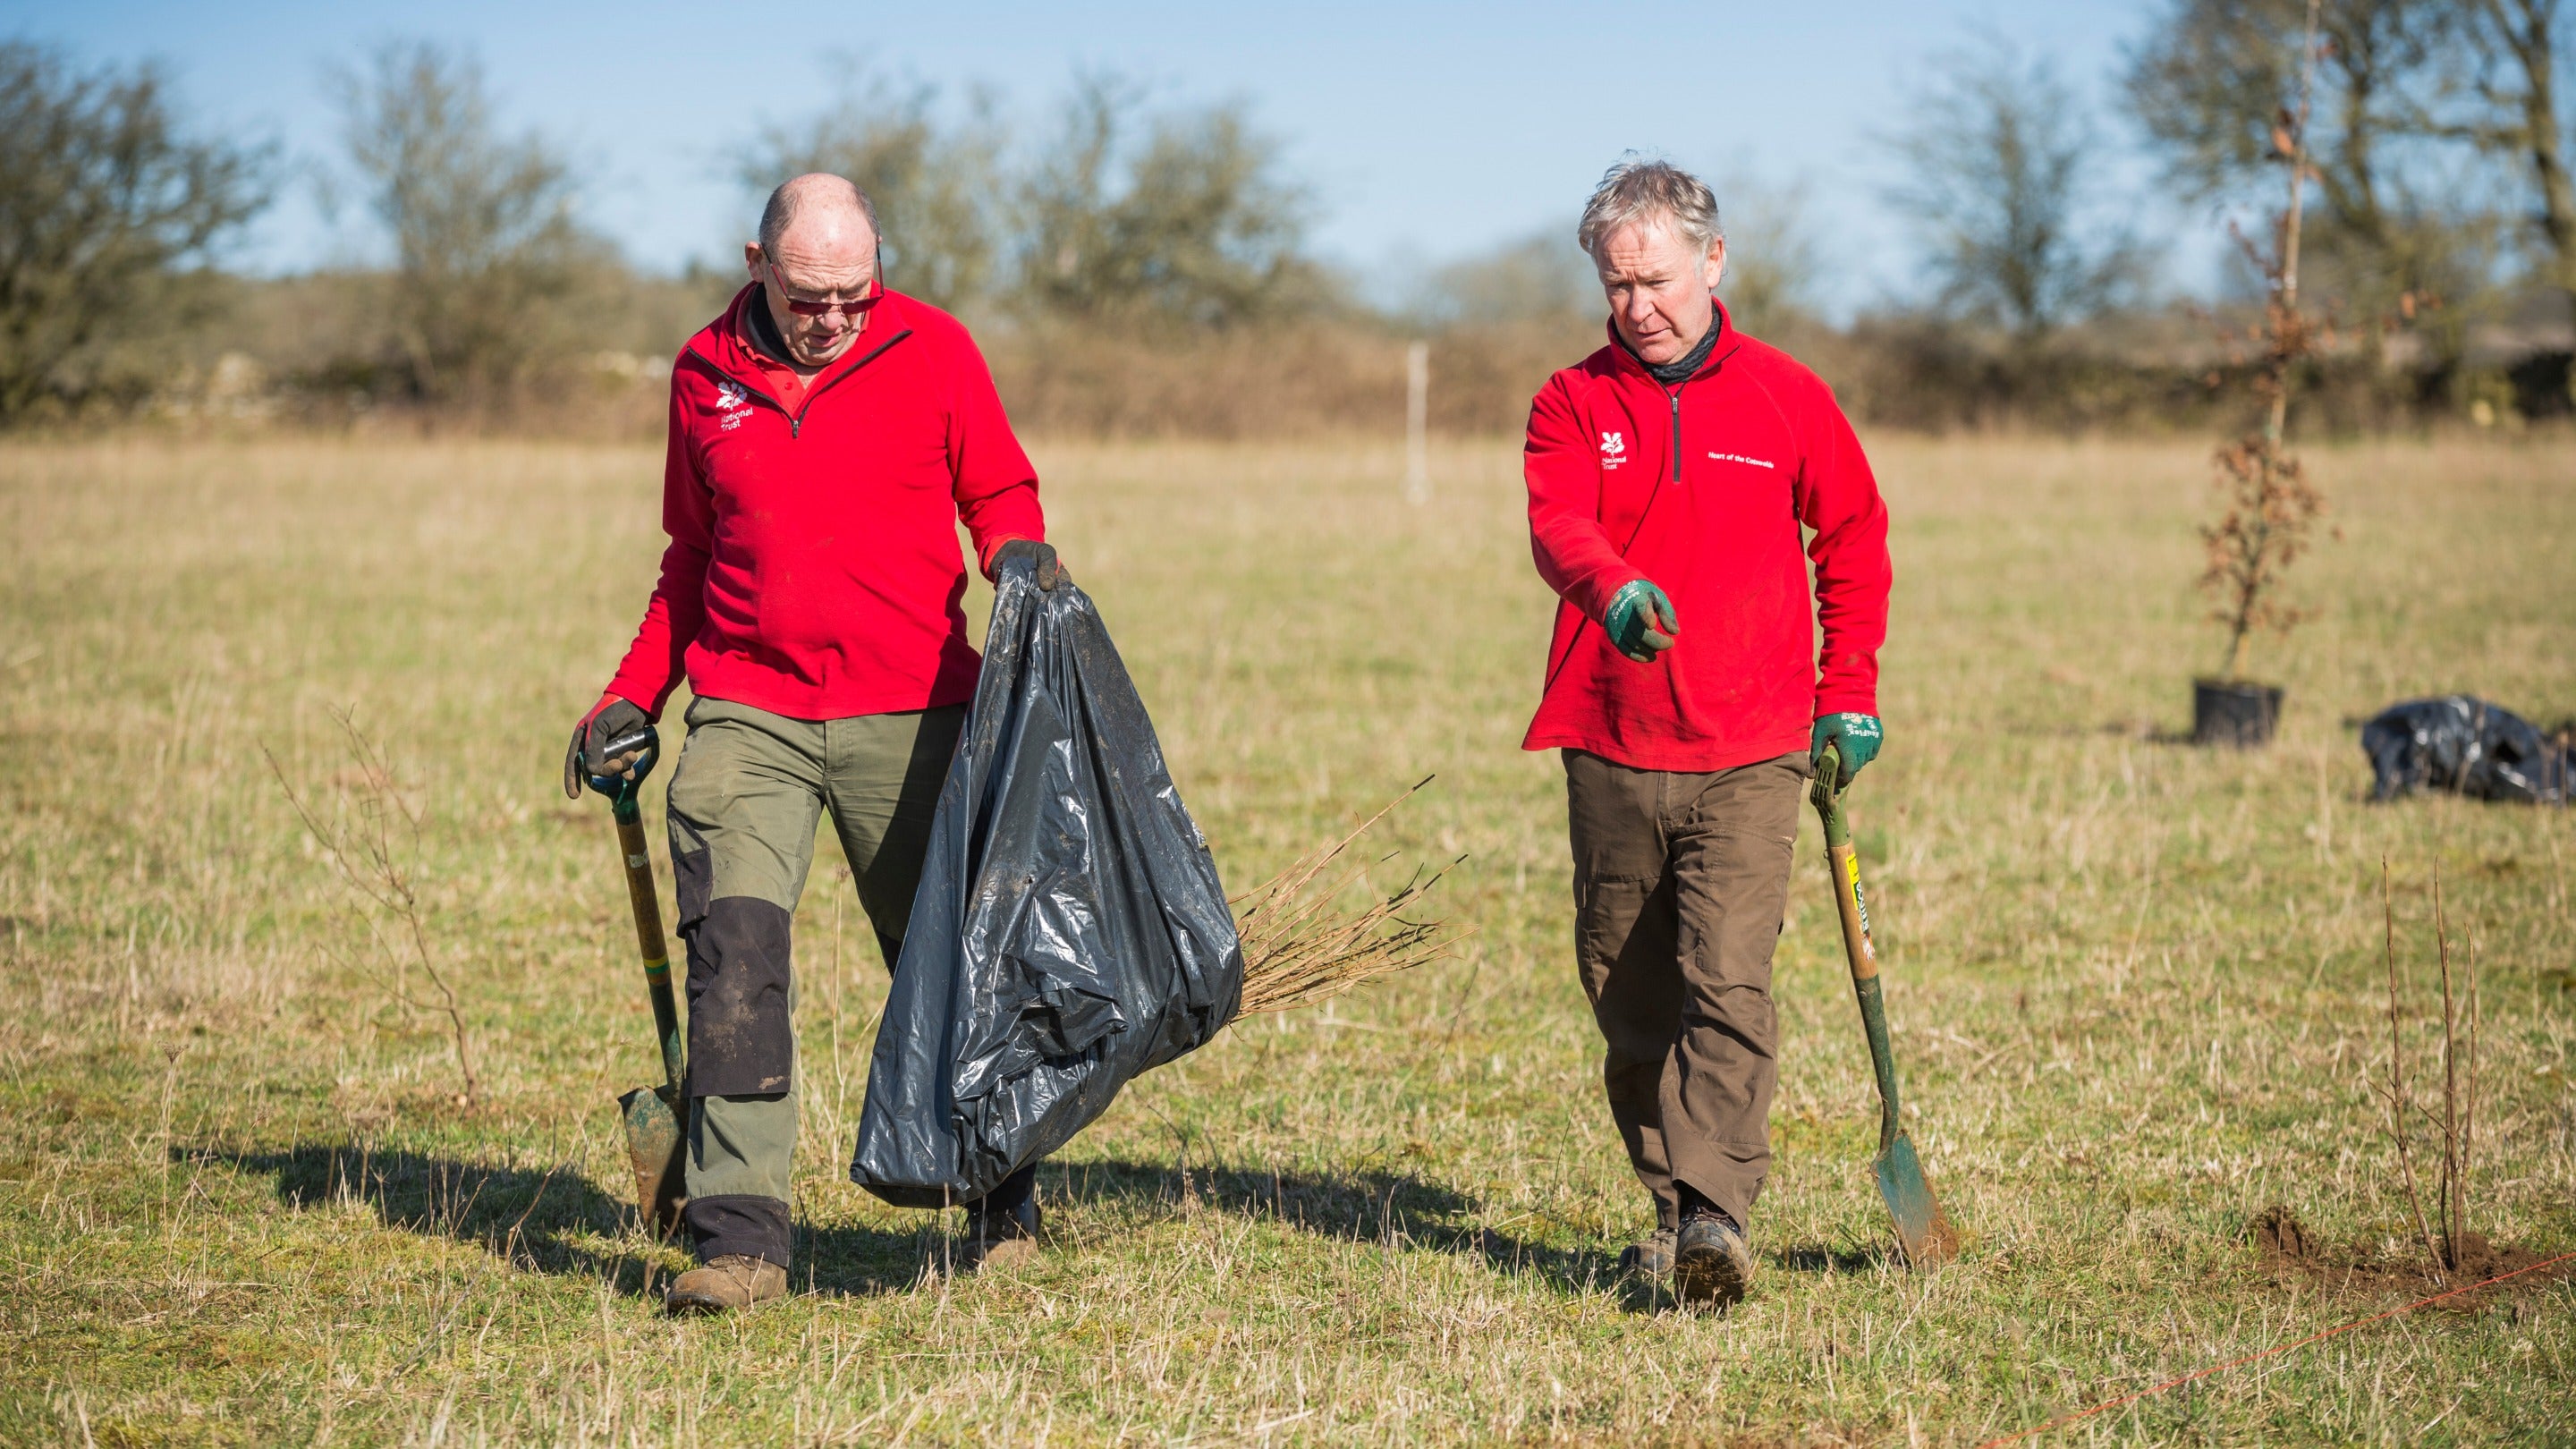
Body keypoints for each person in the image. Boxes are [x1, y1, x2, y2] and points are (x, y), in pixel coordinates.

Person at [564, 174, 1065, 1315]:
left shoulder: (935, 351)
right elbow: (689, 559)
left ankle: (1001, 1207)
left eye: (854, 292)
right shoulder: (704, 375)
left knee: (954, 966)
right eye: (807, 297)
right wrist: (629, 694)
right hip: (753, 709)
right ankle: (740, 1240)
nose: (832, 316)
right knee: (735, 953)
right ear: (758, 265)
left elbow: (1000, 489)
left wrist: (1020, 557)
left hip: (920, 707)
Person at [1521, 158, 1891, 1309]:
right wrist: (1610, 588)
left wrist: (1851, 687)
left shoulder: (1787, 395)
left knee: (1726, 978)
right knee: (1627, 993)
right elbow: (1557, 524)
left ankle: (1717, 1216)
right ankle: (1673, 1206)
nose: (1638, 306)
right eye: (1616, 285)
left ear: (1714, 262)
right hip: (1613, 738)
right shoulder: (1570, 401)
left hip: (1754, 743)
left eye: (1657, 279)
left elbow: (1855, 534)